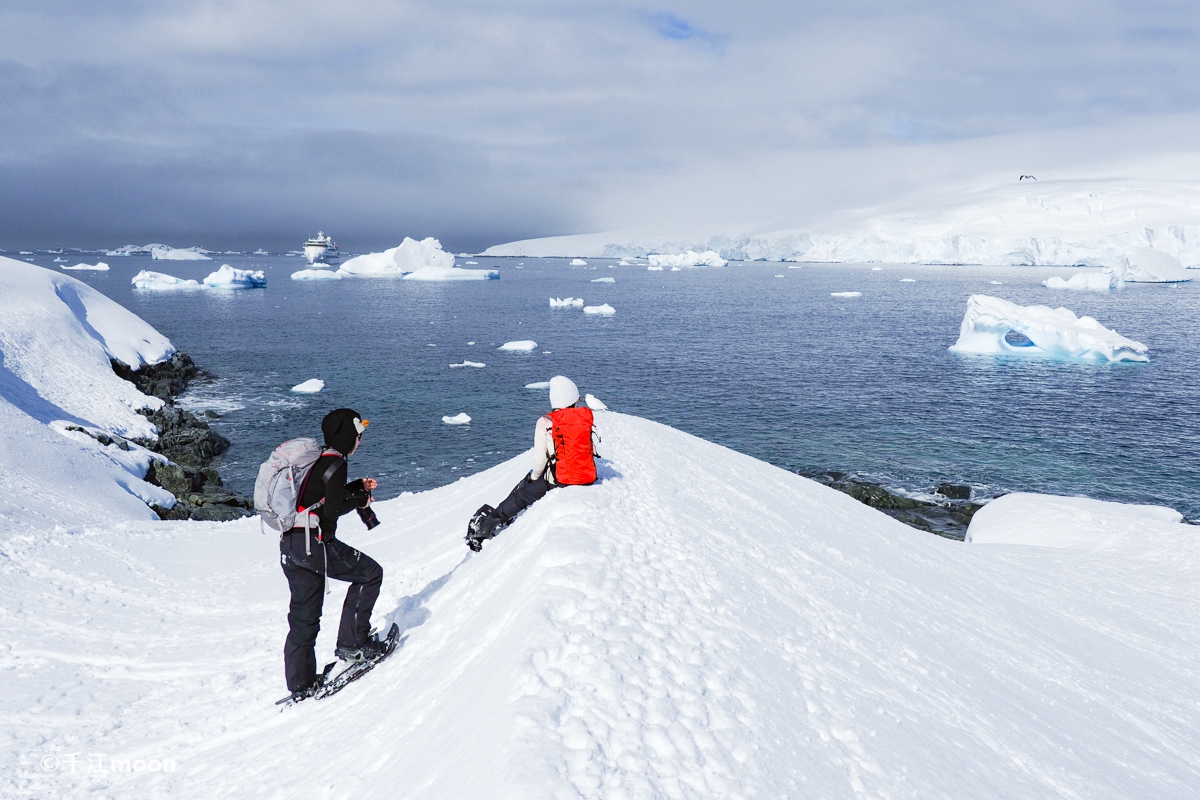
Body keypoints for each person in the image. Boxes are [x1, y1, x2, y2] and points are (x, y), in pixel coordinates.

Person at [280, 408, 385, 700]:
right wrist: (361, 498)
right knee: (369, 574)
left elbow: (322, 495)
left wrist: (354, 490)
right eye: (359, 434)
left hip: (291, 545)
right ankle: (354, 644)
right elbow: (332, 509)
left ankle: (300, 684)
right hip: (314, 545)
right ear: (347, 434)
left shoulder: (318, 460)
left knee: (303, 618)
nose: (360, 440)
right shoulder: (336, 463)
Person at [466, 376, 597, 551]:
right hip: (588, 476)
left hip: (560, 479)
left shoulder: (545, 422)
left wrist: (533, 477)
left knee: (520, 496)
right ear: (574, 398)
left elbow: (539, 462)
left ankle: (484, 529)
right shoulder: (585, 417)